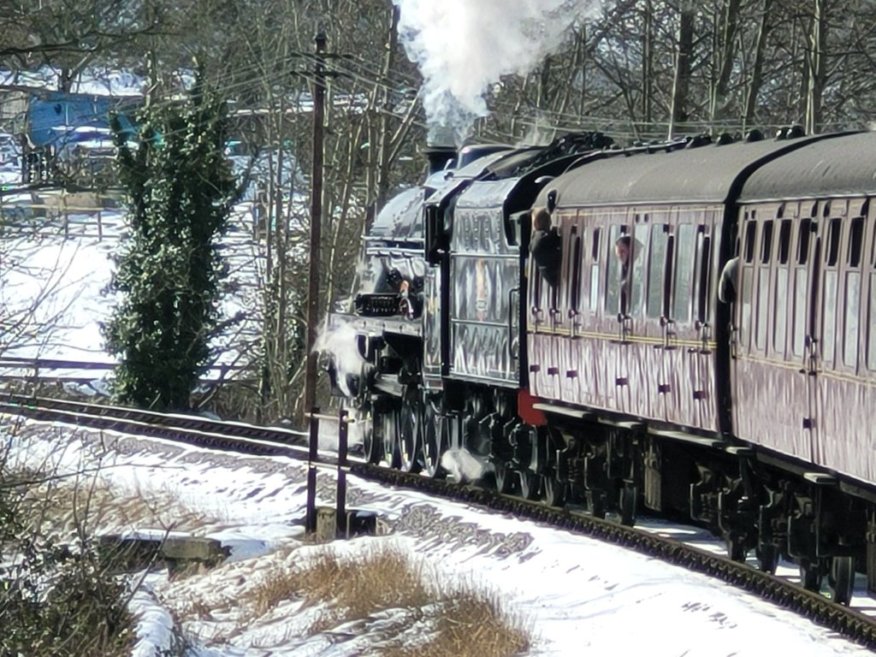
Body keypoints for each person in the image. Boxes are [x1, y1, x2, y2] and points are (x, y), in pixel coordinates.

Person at [529, 207, 561, 287]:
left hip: (548, 274)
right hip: (553, 272)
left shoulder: (534, 238)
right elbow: (554, 240)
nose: (550, 223)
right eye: (549, 221)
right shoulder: (544, 238)